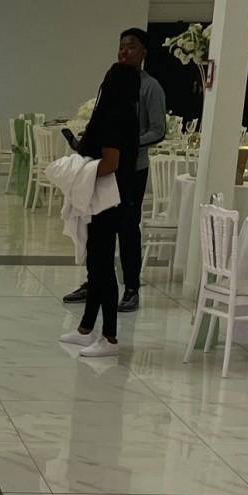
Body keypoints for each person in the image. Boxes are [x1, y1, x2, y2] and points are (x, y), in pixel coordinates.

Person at [64, 28, 166, 312]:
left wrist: (126, 143)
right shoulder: (113, 81)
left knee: (127, 228)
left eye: (131, 47)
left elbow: (158, 130)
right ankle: (94, 281)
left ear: (144, 52)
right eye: (121, 47)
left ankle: (131, 287)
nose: (124, 52)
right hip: (106, 166)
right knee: (98, 227)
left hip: (132, 169)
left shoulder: (150, 87)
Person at [59, 62, 141, 358]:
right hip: (114, 197)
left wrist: (81, 172)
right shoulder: (127, 114)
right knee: (96, 263)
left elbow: (110, 162)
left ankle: (110, 336)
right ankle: (86, 329)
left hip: (108, 200)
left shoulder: (114, 116)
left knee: (102, 265)